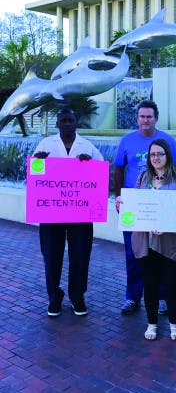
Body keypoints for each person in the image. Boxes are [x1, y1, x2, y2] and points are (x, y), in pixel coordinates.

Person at [113, 100, 176, 316]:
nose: (145, 120)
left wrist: (173, 204)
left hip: (161, 207)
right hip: (135, 207)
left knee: (160, 253)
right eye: (142, 116)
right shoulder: (127, 140)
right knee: (134, 253)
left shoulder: (167, 140)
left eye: (149, 117)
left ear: (156, 118)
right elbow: (118, 169)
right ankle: (132, 297)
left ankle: (161, 298)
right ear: (137, 118)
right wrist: (118, 198)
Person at [33, 108, 104, 317]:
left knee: (80, 255)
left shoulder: (87, 146)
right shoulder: (45, 145)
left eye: (70, 120)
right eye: (62, 120)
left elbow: (101, 174)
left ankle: (77, 296)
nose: (66, 124)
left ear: (75, 122)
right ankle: (54, 296)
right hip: (51, 212)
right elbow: (33, 173)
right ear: (57, 124)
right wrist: (39, 162)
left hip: (80, 213)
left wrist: (90, 165)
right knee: (51, 255)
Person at [123, 139, 176, 341]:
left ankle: (174, 323)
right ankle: (152, 323)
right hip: (146, 241)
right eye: (152, 154)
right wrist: (122, 203)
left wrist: (169, 224)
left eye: (160, 154)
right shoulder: (143, 177)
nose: (156, 158)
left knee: (171, 284)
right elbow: (135, 205)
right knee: (150, 284)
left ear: (167, 155)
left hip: (171, 241)